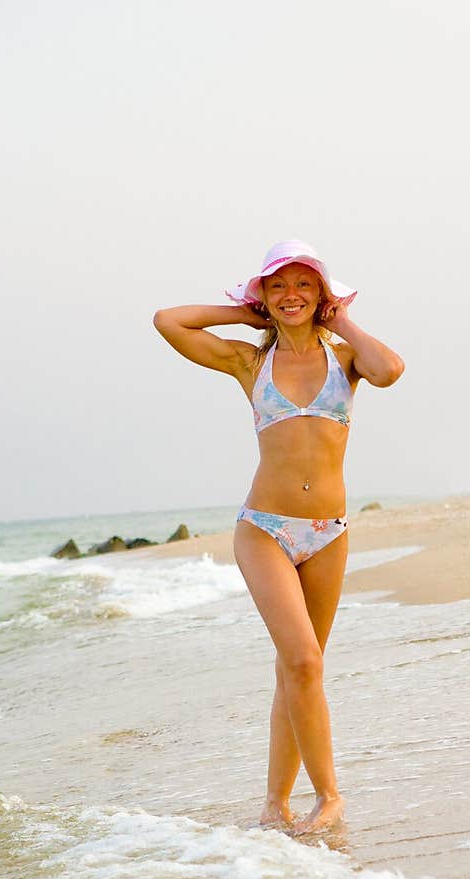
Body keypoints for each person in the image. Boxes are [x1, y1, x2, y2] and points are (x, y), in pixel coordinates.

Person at [153, 240, 404, 834]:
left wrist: (340, 318)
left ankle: (275, 804)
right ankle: (330, 796)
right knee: (301, 660)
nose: (291, 295)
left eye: (304, 285)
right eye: (277, 286)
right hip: (264, 529)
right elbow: (168, 321)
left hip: (329, 534)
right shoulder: (250, 363)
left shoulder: (345, 360)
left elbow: (390, 370)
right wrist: (246, 313)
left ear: (320, 295)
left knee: (299, 671)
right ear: (264, 294)